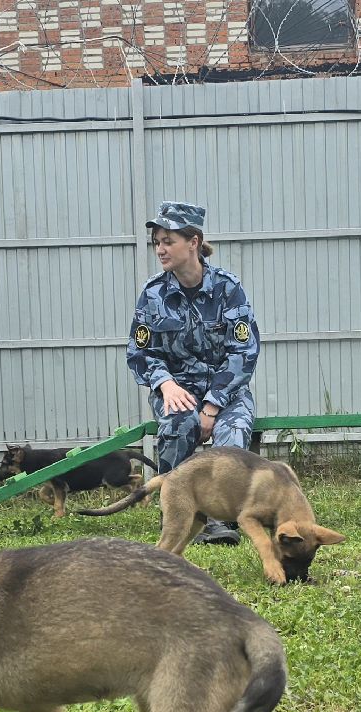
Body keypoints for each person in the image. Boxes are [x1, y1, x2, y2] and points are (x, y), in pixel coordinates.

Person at [127, 200, 260, 544]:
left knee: (232, 436)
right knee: (177, 424)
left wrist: (213, 405)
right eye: (157, 242)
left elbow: (243, 351)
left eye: (168, 240)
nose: (160, 249)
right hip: (179, 389)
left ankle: (222, 518)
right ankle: (175, 513)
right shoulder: (153, 293)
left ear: (194, 242)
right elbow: (140, 352)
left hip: (226, 391)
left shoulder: (227, 288)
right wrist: (165, 383)